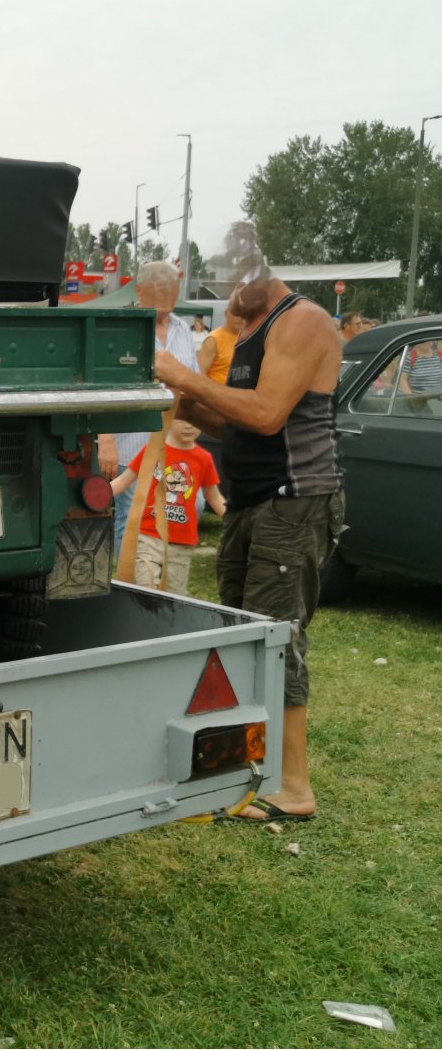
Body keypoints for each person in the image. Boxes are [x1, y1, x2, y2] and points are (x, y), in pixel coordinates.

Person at [154, 270, 344, 823]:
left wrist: (185, 377)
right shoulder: (249, 330)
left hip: (293, 501)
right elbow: (238, 424)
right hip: (251, 502)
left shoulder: (302, 320)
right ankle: (244, 772)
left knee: (275, 638)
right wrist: (185, 405)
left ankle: (294, 788)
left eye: (233, 281)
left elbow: (266, 414)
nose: (226, 295)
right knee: (240, 635)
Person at [98, 261, 200, 549]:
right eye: (159, 288)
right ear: (140, 290)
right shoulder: (122, 329)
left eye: (171, 288)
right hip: (131, 445)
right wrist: (105, 440)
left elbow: (194, 382)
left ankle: (159, 569)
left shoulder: (183, 329)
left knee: (187, 506)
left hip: (173, 447)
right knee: (132, 514)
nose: (166, 295)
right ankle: (128, 574)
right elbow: (105, 387)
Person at [109, 417, 225, 596]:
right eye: (182, 419)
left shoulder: (204, 458)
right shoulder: (152, 451)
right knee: (146, 589)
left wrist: (235, 521)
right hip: (148, 536)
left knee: (173, 598)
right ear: (168, 419)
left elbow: (214, 497)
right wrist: (95, 496)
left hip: (181, 542)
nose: (189, 425)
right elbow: (123, 481)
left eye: (195, 421)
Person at [197, 308, 242, 384]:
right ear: (226, 313)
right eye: (236, 314)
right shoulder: (213, 340)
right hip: (217, 389)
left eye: (244, 315)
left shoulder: (245, 336)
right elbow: (199, 373)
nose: (240, 318)